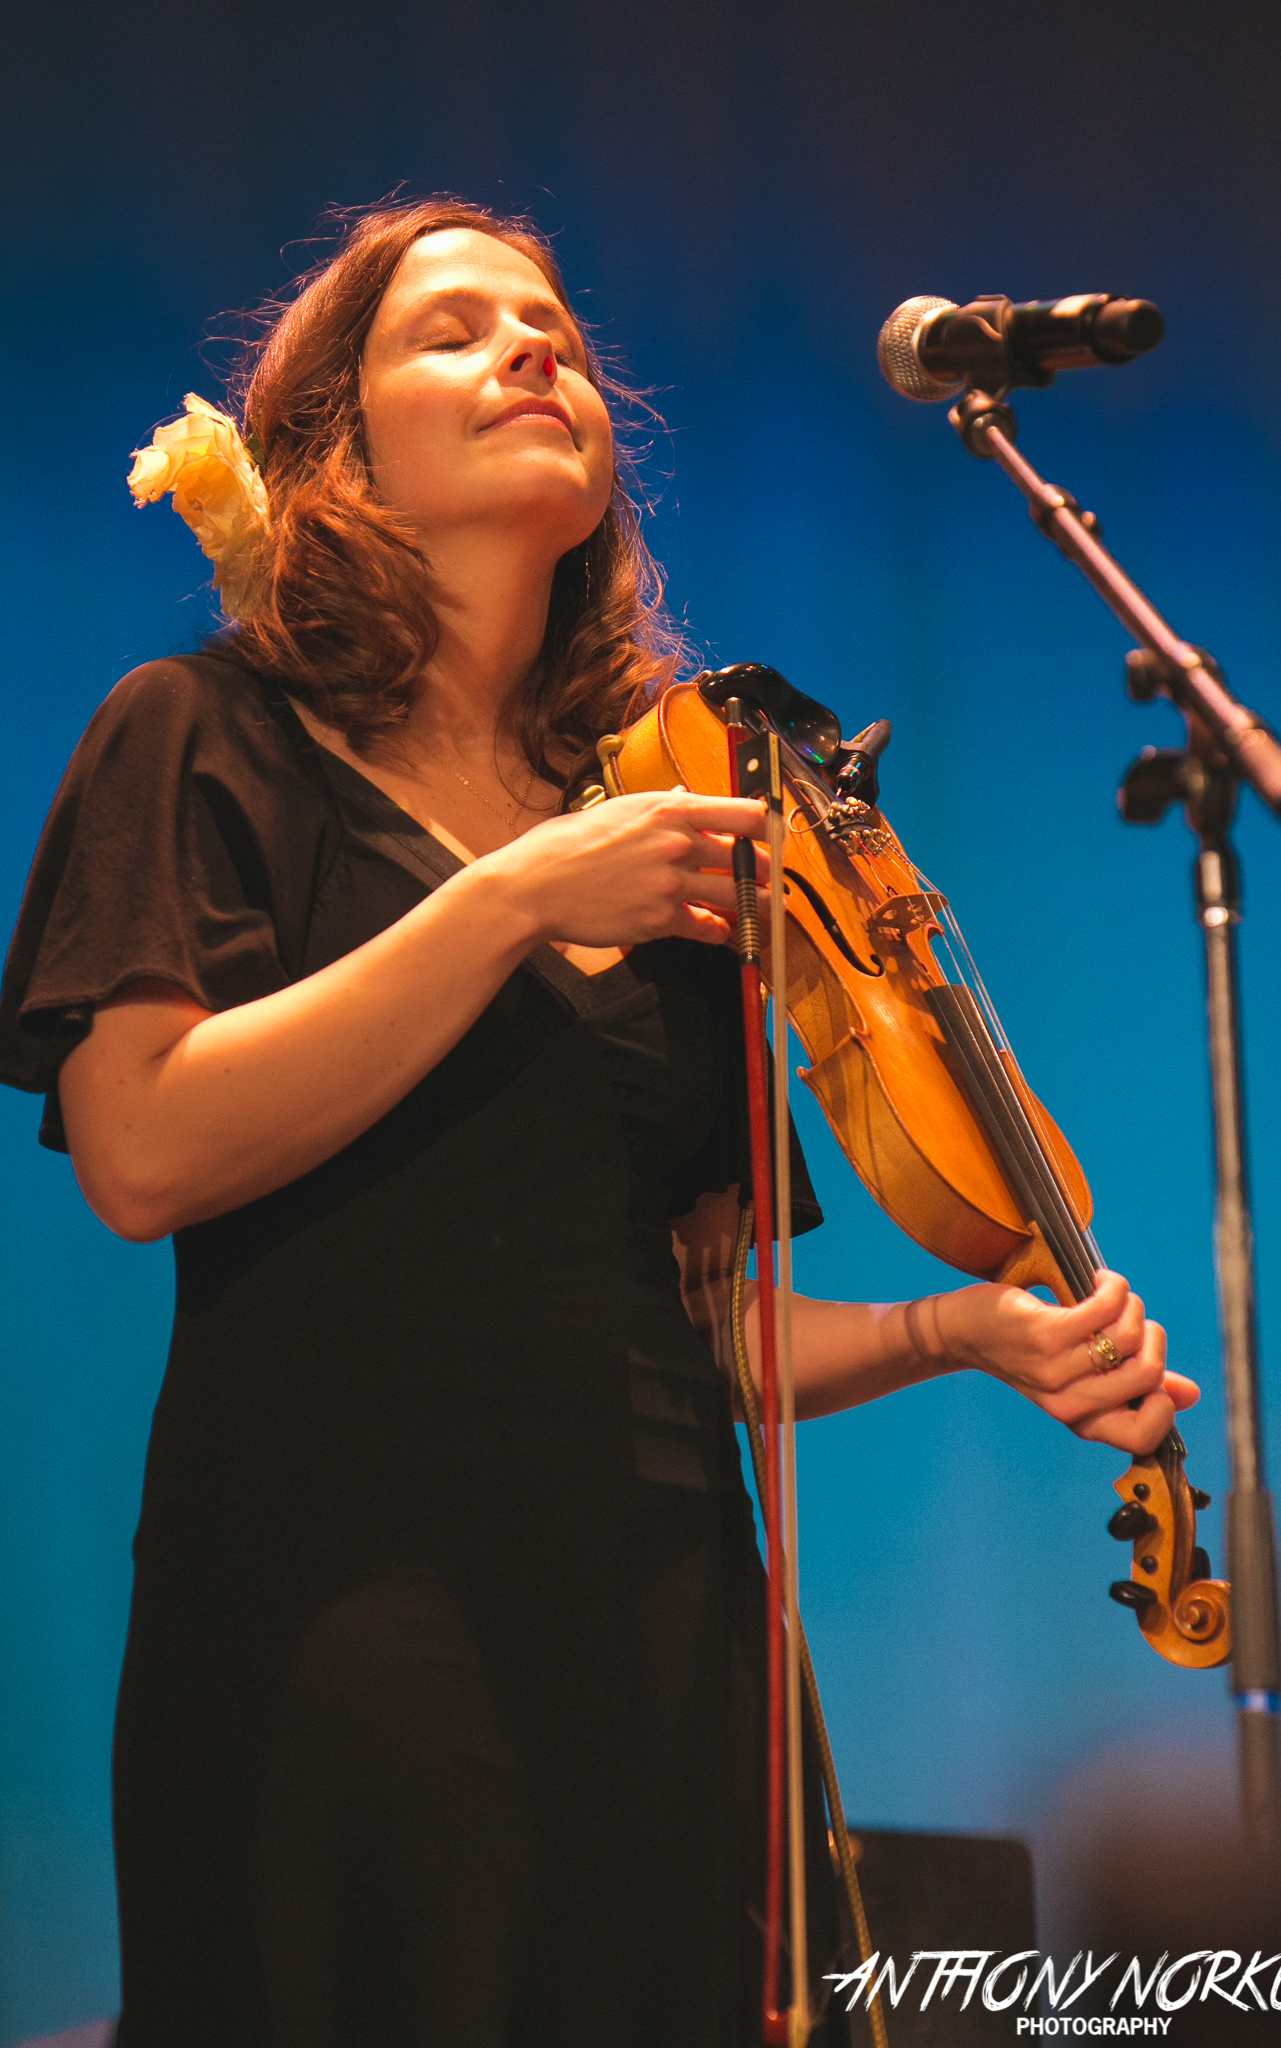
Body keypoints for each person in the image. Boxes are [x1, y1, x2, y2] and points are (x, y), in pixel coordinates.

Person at [0, 196, 1196, 2048]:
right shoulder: (201, 733)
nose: (531, 351)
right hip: (339, 1611)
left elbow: (694, 1320)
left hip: (658, 1618)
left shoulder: (656, 828)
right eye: (456, 331)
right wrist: (505, 901)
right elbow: (145, 1152)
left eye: (551, 330)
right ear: (336, 448)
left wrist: (964, 1330)